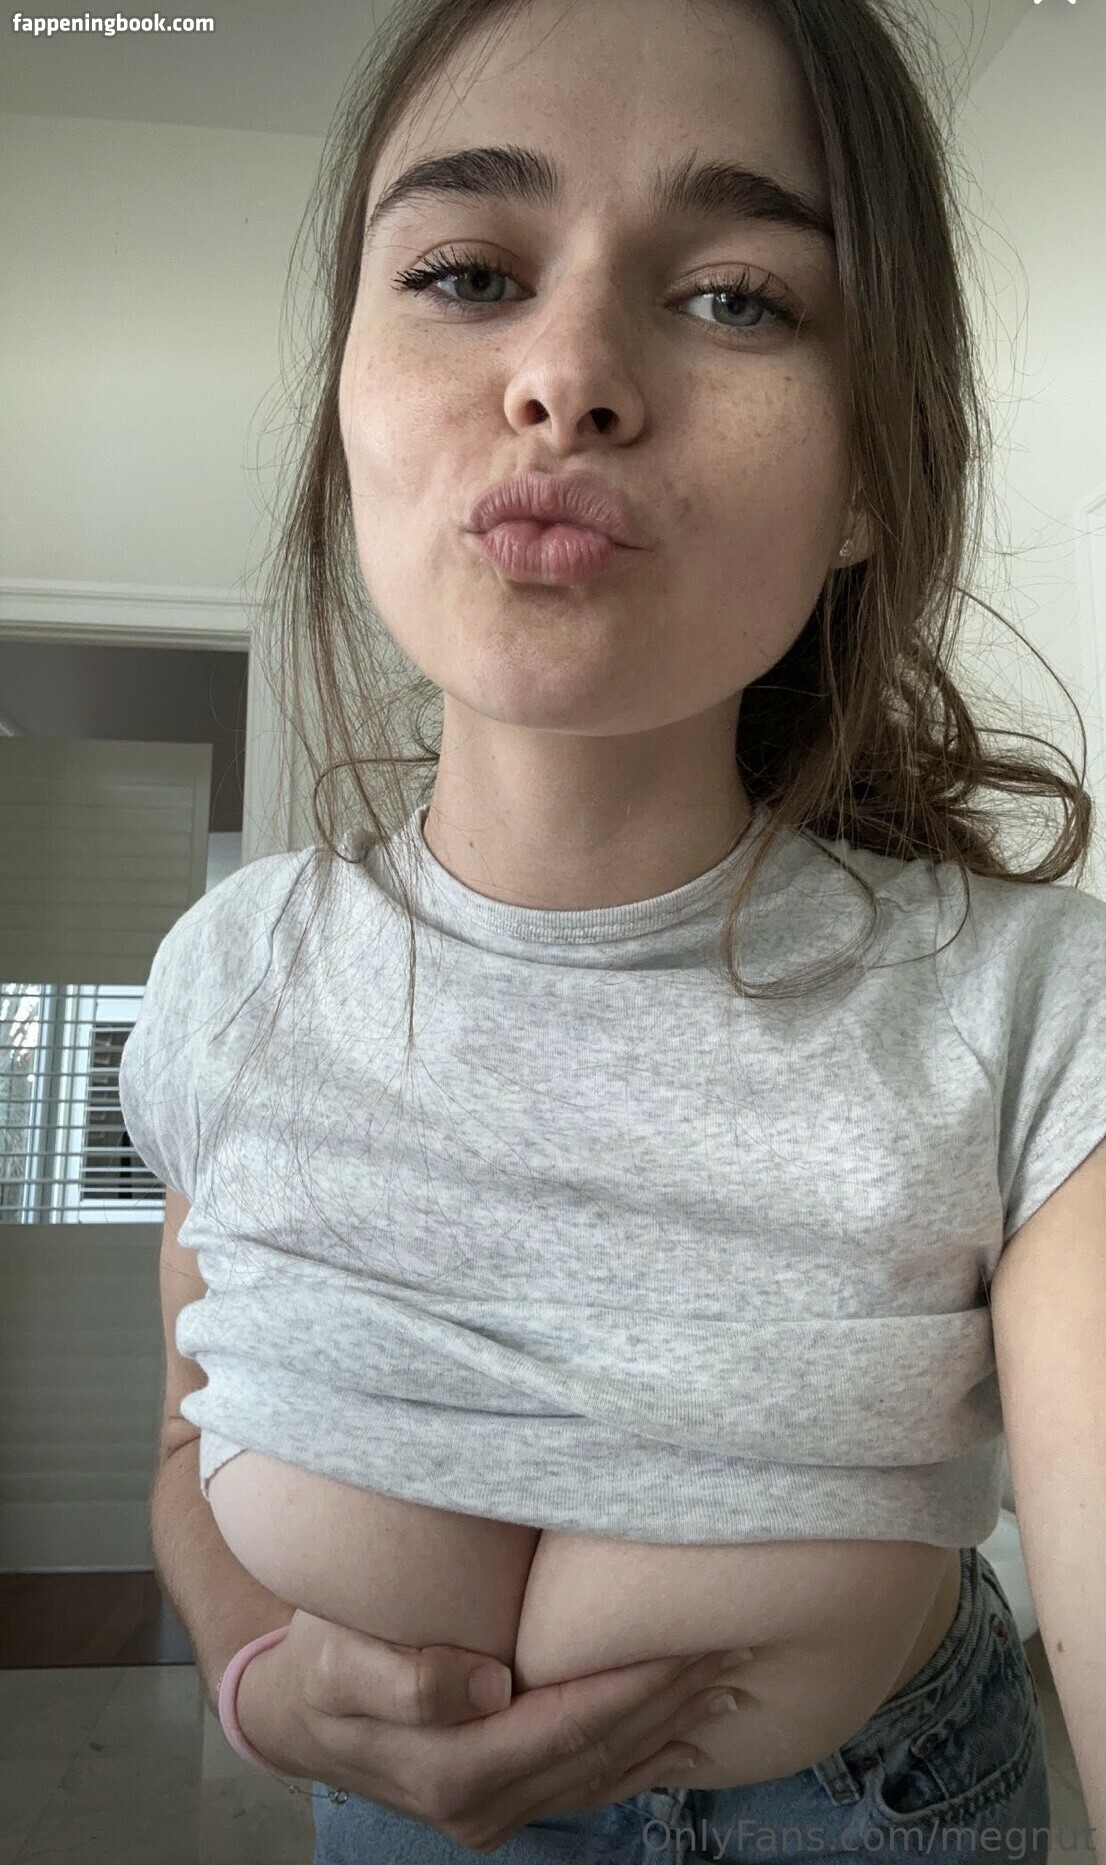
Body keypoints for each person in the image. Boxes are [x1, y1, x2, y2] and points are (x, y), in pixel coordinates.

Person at [128, 0, 1106, 1857]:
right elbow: (186, 1441)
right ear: (345, 404)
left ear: (868, 480)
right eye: (466, 274)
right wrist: (255, 1675)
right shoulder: (224, 978)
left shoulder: (1039, 1016)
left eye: (736, 296)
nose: (566, 376)